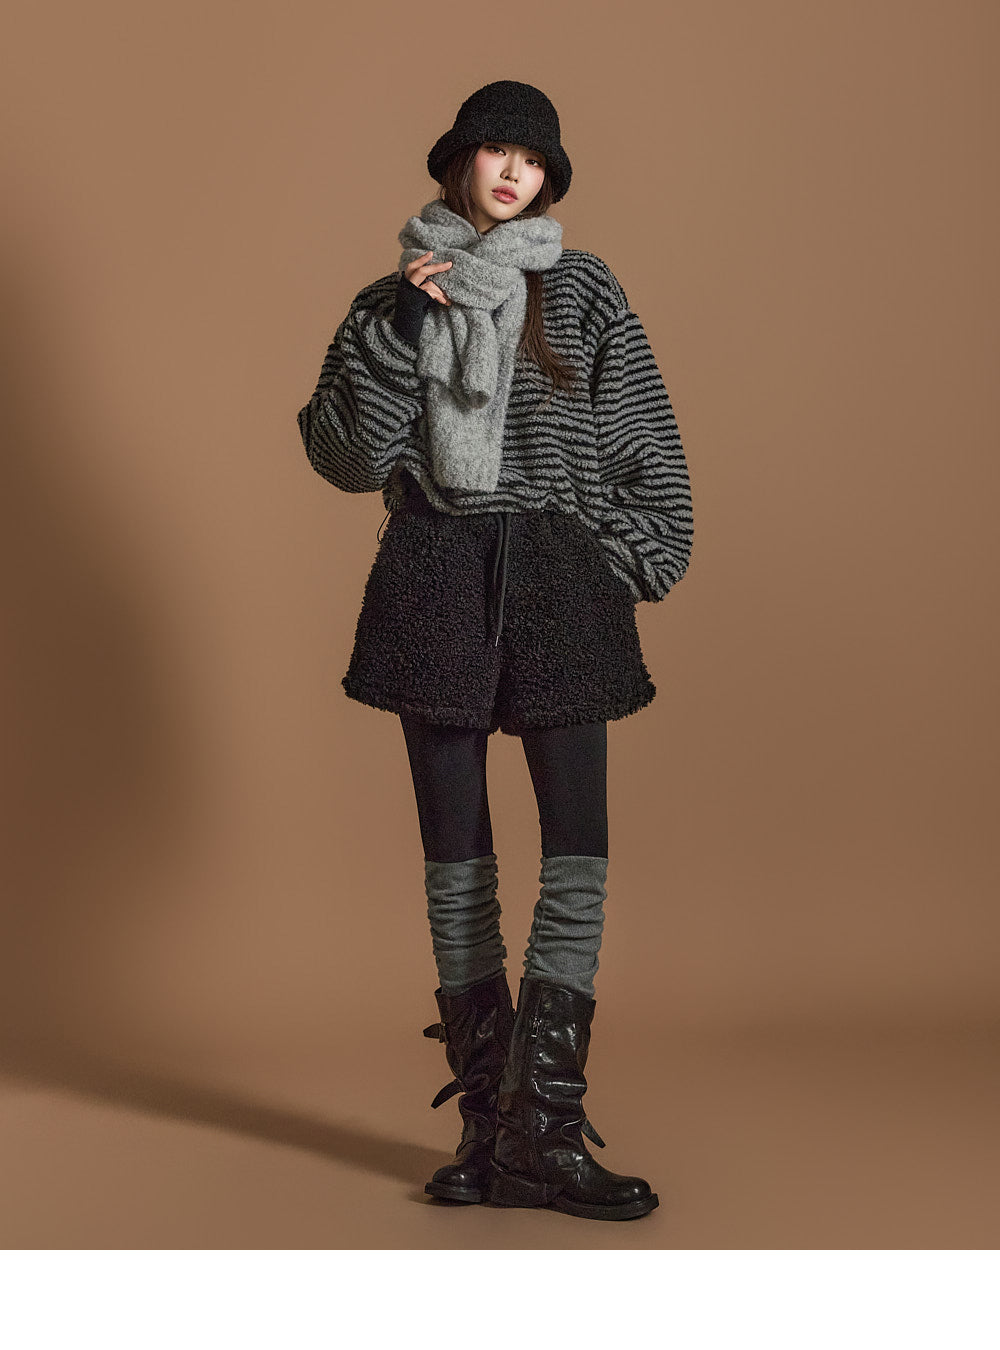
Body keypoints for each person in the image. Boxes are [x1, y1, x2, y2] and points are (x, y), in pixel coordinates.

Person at [296, 80, 694, 1222]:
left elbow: (648, 444)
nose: (514, 172)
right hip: (434, 576)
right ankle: (490, 1127)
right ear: (458, 163)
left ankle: (546, 1129)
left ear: (548, 179)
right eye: (495, 152)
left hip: (561, 578)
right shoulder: (391, 299)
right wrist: (400, 332)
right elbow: (340, 456)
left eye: (533, 158)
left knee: (576, 849)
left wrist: (614, 560)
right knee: (455, 856)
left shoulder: (582, 290)